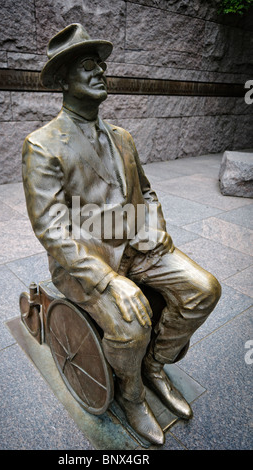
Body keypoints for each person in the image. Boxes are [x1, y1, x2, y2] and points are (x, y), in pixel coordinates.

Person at [22, 24, 221, 445]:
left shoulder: (123, 138)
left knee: (204, 288)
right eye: (86, 67)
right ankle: (132, 397)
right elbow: (50, 227)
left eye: (101, 65)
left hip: (139, 245)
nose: (100, 73)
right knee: (130, 327)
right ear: (62, 80)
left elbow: (145, 191)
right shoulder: (42, 145)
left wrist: (155, 229)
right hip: (89, 263)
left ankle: (154, 366)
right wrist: (110, 280)